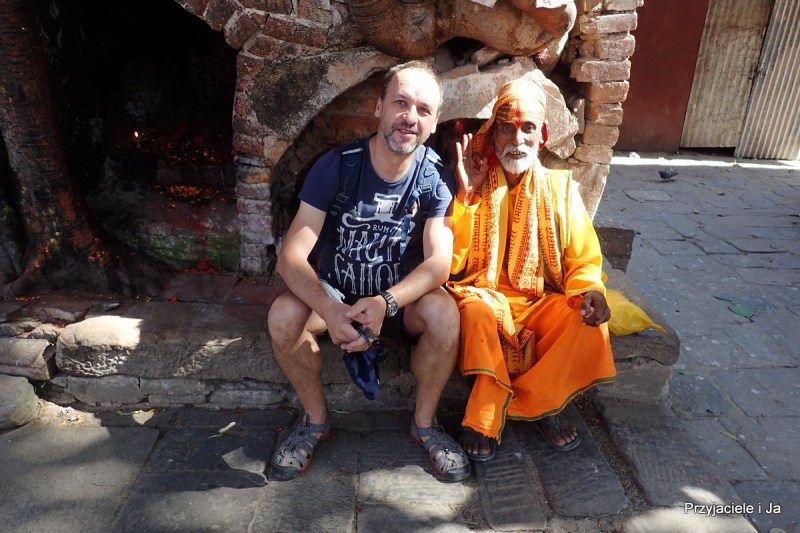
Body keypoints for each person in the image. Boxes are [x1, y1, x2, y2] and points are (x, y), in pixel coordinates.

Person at [267, 61, 470, 483]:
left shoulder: (434, 178)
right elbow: (291, 256)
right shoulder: (338, 167)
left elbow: (439, 263)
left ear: (433, 124)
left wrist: (385, 302)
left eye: (423, 110)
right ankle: (315, 421)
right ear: (379, 108)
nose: (410, 117)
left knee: (445, 314)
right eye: (400, 103)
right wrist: (330, 309)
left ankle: (425, 424)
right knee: (283, 316)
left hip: (397, 305)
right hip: (336, 297)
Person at [447, 78, 617, 461]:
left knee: (587, 322)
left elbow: (583, 259)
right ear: (493, 135)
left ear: (542, 137)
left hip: (539, 302)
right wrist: (466, 195)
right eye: (507, 128)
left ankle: (543, 403)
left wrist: (591, 291)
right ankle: (485, 414)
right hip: (483, 298)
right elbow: (452, 263)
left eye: (527, 129)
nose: (517, 139)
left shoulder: (560, 190)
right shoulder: (472, 178)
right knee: (475, 312)